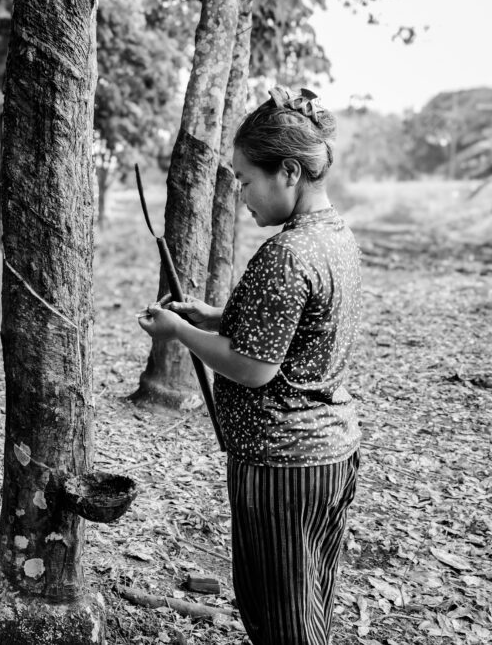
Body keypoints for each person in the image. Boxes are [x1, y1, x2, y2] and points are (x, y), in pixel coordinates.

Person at [138, 86, 361, 645]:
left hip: (282, 465)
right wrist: (214, 317)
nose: (241, 194)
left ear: (288, 171)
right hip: (327, 454)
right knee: (309, 603)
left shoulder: (287, 253)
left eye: (245, 180)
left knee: (281, 620)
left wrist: (180, 332)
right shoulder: (334, 238)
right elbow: (291, 328)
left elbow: (254, 367)